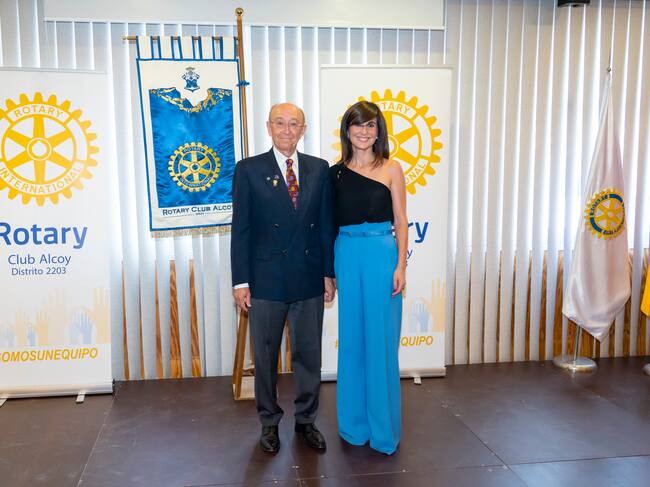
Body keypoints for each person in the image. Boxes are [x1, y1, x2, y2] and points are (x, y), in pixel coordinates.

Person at [231, 103, 336, 454]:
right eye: (280, 123)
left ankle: (306, 421)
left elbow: (325, 226)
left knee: (308, 355)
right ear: (269, 127)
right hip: (266, 280)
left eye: (294, 124)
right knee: (265, 357)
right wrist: (240, 281)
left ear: (303, 130)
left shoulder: (319, 168)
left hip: (308, 277)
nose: (287, 130)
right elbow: (241, 229)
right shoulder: (248, 169)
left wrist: (328, 273)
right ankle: (269, 422)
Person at [330, 101, 407, 455]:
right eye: (357, 125)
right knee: (352, 341)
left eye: (370, 125)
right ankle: (353, 426)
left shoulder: (392, 168)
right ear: (347, 130)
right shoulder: (333, 174)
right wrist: (328, 274)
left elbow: (401, 221)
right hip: (347, 254)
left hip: (381, 255)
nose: (364, 131)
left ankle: (383, 429)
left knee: (381, 341)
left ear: (379, 131)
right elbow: (329, 225)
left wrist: (401, 266)